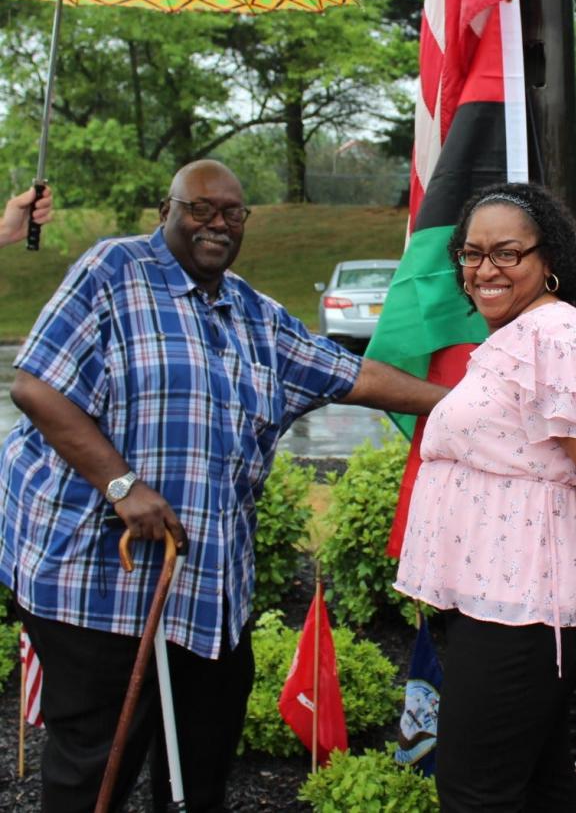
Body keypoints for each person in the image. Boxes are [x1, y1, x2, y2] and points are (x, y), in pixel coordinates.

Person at [0, 159, 447, 813]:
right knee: (99, 767)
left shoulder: (255, 316)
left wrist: (464, 402)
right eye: (199, 208)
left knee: (202, 767)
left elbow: (357, 377)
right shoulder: (113, 271)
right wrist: (123, 485)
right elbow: (35, 385)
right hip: (94, 577)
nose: (216, 222)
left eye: (230, 212)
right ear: (167, 211)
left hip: (205, 585)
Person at [394, 181, 576, 812]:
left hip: (527, 617)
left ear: (550, 259)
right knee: (565, 792)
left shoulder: (556, 337)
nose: (487, 269)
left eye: (508, 253)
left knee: (476, 792)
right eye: (473, 254)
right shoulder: (523, 334)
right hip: (509, 608)